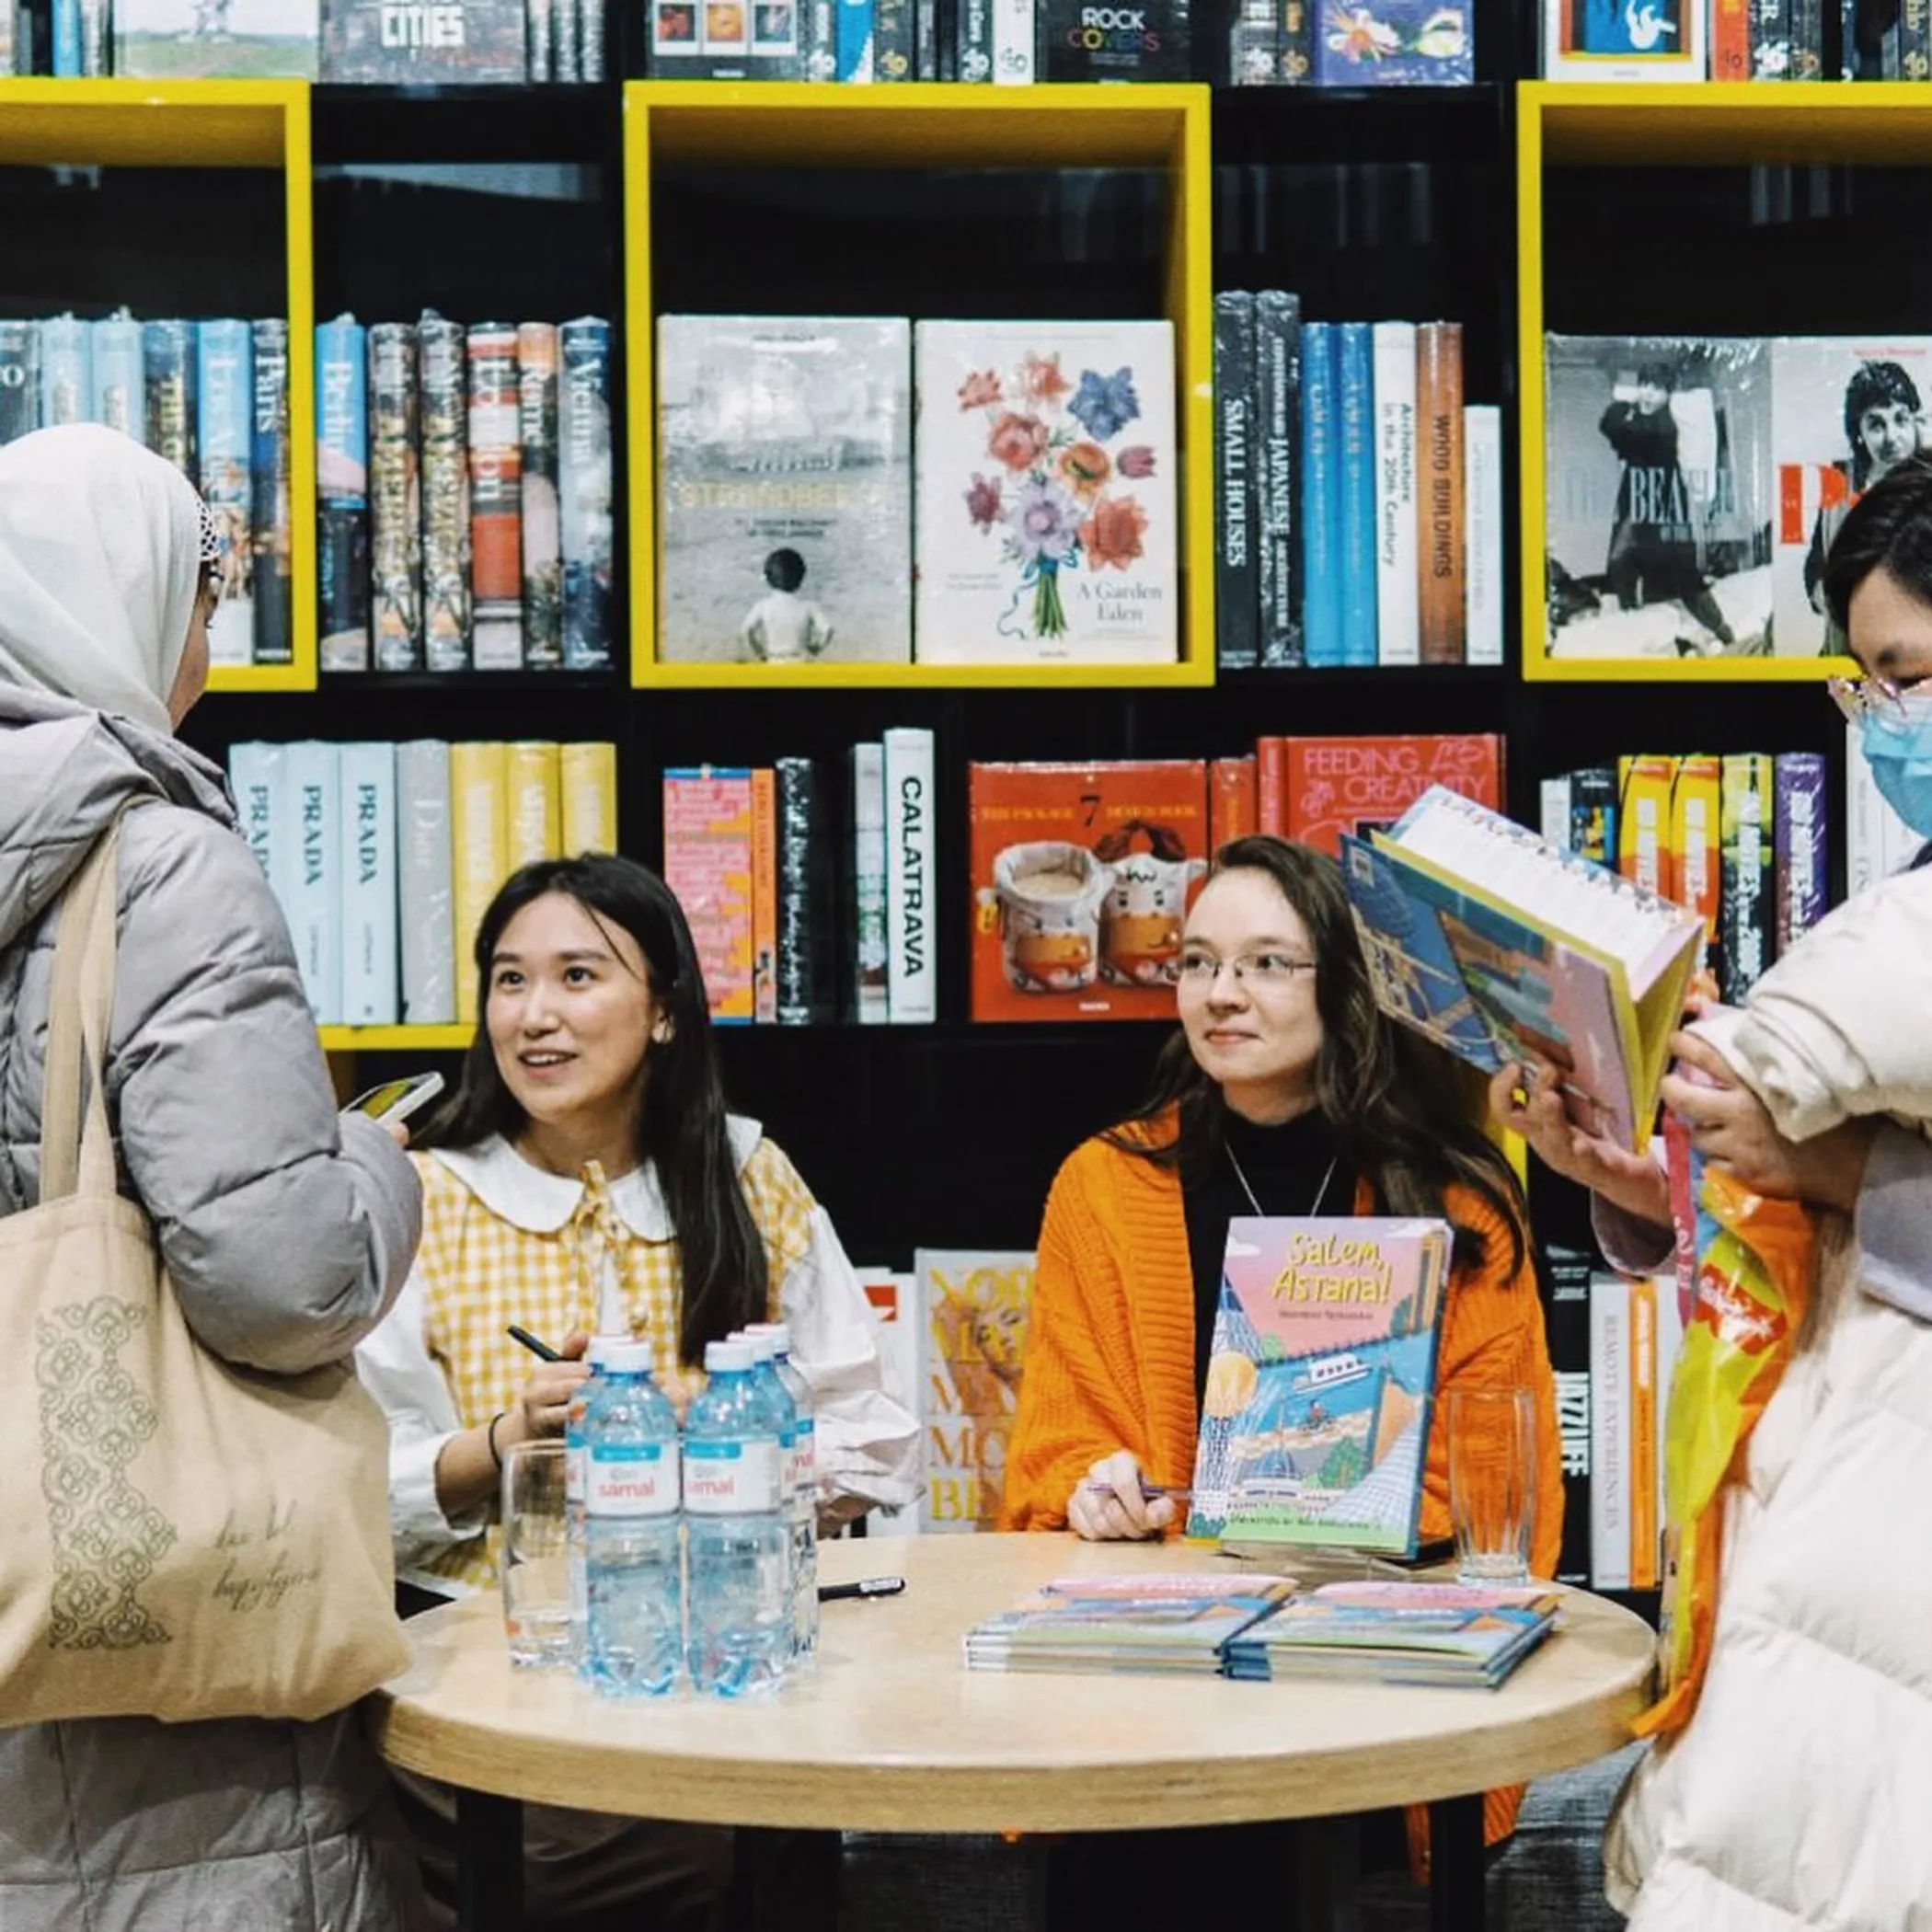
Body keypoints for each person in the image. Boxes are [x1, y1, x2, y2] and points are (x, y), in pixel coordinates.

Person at [1493, 454, 1932, 1928]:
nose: (1889, 719)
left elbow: (1848, 1145)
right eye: (1871, 684)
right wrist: (1660, 1185)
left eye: (1910, 674)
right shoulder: (1902, 908)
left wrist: (1837, 1161)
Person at [0, 424, 426, 1927]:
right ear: (110, 601)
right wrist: (379, 1166)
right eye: (200, 596)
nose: (209, 644)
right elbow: (278, 1283)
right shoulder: (155, 863)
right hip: (149, 1734)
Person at [356, 850, 920, 1930]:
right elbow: (344, 1488)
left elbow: (878, 1438)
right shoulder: (422, 1193)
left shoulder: (748, 1176)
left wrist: (729, 1461)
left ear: (663, 1012)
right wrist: (505, 1442)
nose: (535, 1017)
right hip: (486, 1665)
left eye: (579, 976)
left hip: (728, 1651)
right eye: (510, 980)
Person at [1003, 834, 1564, 1896]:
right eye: (1199, 961)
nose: (1223, 993)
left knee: (1265, 1818)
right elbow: (1053, 1448)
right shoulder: (1103, 1185)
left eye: (1267, 963)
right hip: (1154, 1671)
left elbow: (1500, 1482)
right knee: (1162, 1811)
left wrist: (1329, 1514)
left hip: (1366, 1670)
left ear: (1345, 988)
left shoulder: (1456, 1201)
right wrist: (1096, 1488)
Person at [1599, 359, 1741, 656]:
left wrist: (1629, 407)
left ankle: (1723, 631)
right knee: (1621, 563)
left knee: (1685, 575)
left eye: (1657, 388)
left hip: (1664, 504)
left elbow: (1634, 431)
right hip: (1635, 501)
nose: (1648, 394)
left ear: (1669, 393)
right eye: (1644, 386)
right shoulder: (1636, 416)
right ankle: (1633, 631)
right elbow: (1608, 425)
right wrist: (1628, 406)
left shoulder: (1666, 421)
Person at [1802, 358, 1925, 654]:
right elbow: (1816, 564)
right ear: (1859, 432)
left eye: (1900, 419)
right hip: (1848, 654)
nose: (1892, 437)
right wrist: (1830, 598)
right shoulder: (1840, 484)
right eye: (1876, 424)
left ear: (1914, 422)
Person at [741, 546, 834, 662]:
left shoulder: (763, 606)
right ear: (801, 578)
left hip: (774, 660)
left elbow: (746, 630)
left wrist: (759, 653)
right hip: (801, 661)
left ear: (767, 578)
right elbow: (828, 629)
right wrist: (815, 648)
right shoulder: (808, 607)